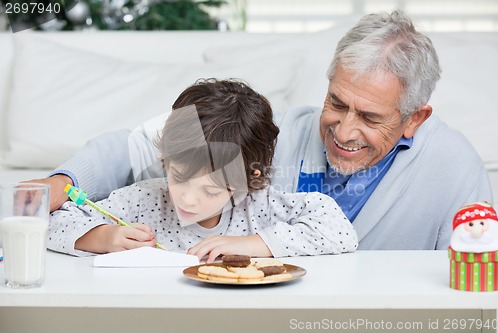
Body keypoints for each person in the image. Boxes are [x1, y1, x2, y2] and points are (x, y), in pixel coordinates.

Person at [34, 10, 492, 250]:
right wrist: (62, 183)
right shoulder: (276, 133)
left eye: (371, 118)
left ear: (415, 117)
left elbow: (475, 276)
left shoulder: (454, 167)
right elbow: (135, 148)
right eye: (337, 103)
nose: (344, 130)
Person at [47, 79, 358, 261]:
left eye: (210, 190)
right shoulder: (143, 201)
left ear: (250, 180)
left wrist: (252, 244)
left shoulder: (259, 208)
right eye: (179, 177)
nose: (188, 200)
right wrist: (104, 238)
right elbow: (49, 222)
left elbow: (339, 231)